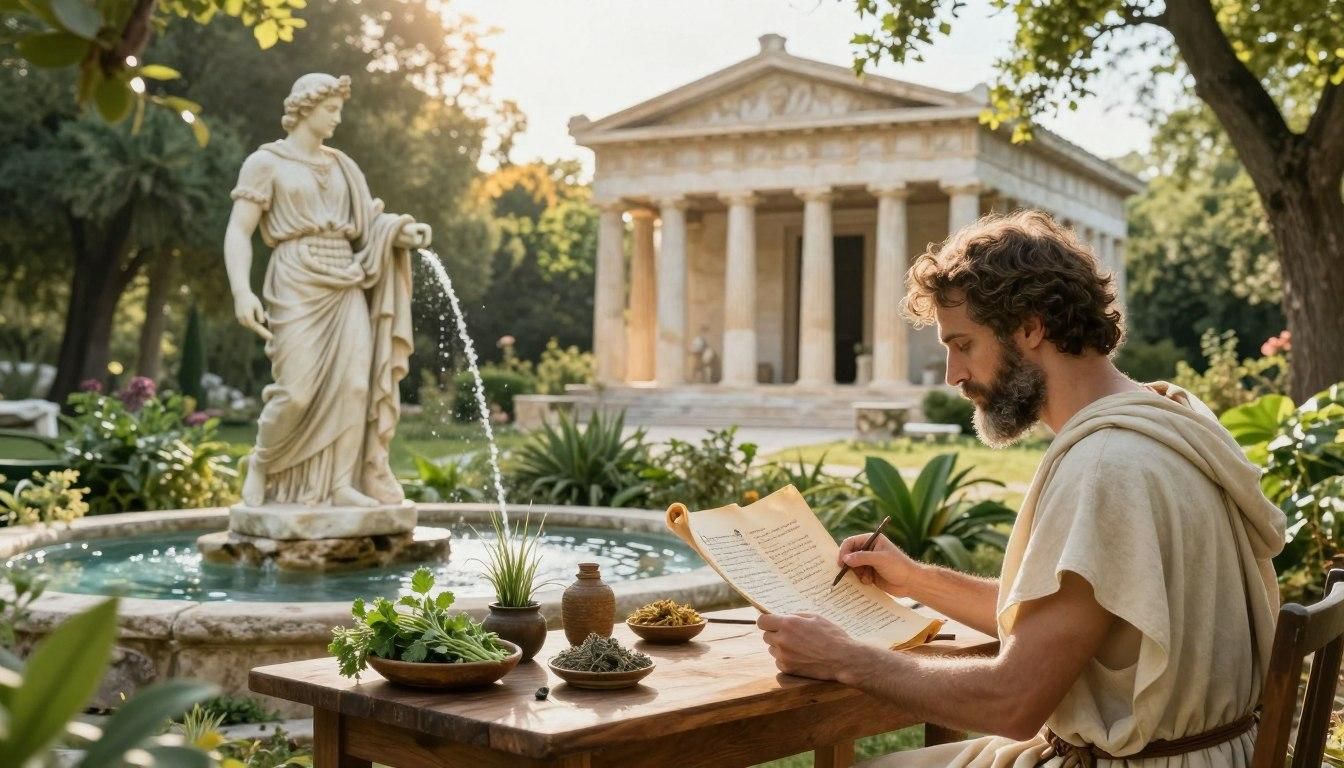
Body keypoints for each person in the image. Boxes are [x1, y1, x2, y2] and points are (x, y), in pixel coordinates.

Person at [758, 210, 1285, 766]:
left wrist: (846, 657)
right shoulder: (1170, 421)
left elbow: (1013, 700)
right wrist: (916, 578)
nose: (952, 375)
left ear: (1031, 328)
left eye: (962, 344)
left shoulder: (1105, 467)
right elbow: (1071, 620)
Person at [224, 73, 431, 509]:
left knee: (355, 386)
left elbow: (369, 225)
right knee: (296, 391)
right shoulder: (265, 163)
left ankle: (339, 484)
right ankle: (262, 462)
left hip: (345, 276)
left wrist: (400, 232)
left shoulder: (344, 167)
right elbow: (239, 231)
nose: (338, 118)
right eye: (331, 109)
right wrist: (242, 292)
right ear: (305, 108)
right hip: (295, 277)